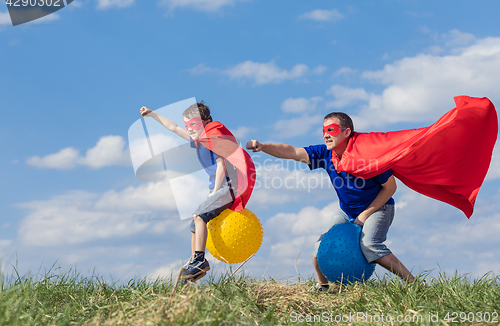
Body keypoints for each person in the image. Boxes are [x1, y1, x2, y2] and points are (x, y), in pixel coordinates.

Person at [246, 112, 415, 291]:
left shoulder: (367, 155)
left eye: (331, 129)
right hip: (347, 211)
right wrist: (263, 146)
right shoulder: (325, 154)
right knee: (319, 249)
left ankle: (416, 283)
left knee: (370, 245)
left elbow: (390, 188)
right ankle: (323, 287)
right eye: (323, 130)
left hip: (379, 207)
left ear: (346, 132)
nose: (325, 134)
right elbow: (292, 152)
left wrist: (364, 215)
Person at [141, 101, 240, 282]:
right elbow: (173, 127)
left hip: (228, 188)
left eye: (193, 124)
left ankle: (199, 260)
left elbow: (221, 166)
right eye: (187, 125)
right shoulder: (197, 142)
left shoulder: (212, 140)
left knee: (198, 215)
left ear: (206, 122)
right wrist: (152, 114)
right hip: (219, 189)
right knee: (195, 225)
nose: (189, 129)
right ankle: (195, 262)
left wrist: (215, 191)